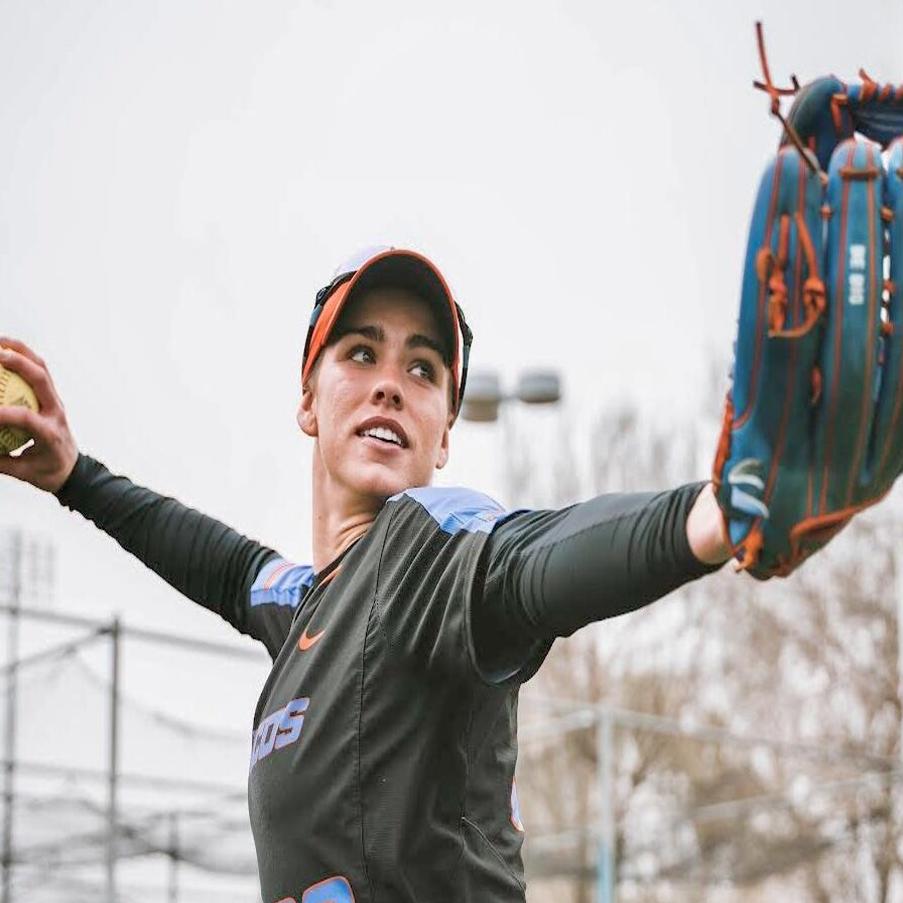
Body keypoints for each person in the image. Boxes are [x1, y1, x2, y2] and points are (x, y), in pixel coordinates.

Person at [0, 246, 730, 903]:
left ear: (445, 431)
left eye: (422, 368)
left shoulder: (427, 546)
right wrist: (74, 475)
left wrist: (708, 517)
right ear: (307, 400)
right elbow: (217, 560)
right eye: (359, 353)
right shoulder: (305, 602)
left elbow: (532, 561)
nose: (389, 385)